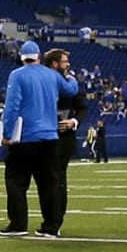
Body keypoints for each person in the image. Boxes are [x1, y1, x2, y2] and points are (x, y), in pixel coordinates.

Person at [0, 41, 78, 238]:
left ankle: (18, 224)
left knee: (16, 181)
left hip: (25, 138)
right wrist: (71, 77)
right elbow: (71, 90)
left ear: (22, 57)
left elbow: (11, 107)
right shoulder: (51, 75)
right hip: (50, 137)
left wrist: (7, 135)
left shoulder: (17, 75)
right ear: (39, 57)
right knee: (49, 183)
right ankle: (51, 226)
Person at [45, 48, 86, 229]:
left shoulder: (70, 83)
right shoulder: (45, 81)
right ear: (54, 64)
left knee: (58, 178)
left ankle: (55, 221)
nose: (68, 64)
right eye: (64, 61)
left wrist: (74, 121)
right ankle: (51, 221)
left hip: (63, 137)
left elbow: (83, 108)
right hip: (43, 136)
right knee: (47, 179)